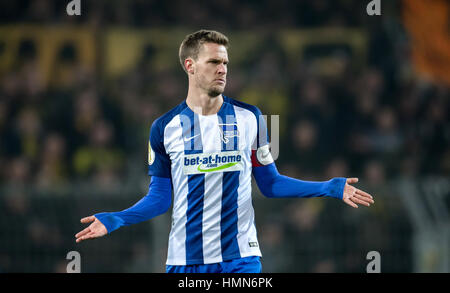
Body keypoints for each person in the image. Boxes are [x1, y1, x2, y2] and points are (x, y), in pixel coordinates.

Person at [75, 30, 374, 273]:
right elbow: (160, 198)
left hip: (240, 259)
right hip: (185, 262)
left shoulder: (251, 118)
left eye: (225, 63)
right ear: (190, 66)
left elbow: (270, 184)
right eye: (213, 62)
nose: (222, 69)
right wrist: (117, 218)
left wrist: (329, 187)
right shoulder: (163, 128)